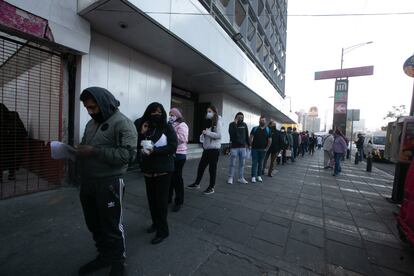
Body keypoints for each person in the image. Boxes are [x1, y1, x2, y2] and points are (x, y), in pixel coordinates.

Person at [77, 87, 138, 276]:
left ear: (105, 103)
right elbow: (86, 145)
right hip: (88, 182)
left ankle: (118, 263)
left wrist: (94, 152)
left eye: (93, 107)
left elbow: (128, 155)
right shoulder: (91, 123)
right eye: (87, 108)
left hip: (109, 182)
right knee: (94, 224)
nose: (90, 111)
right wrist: (77, 150)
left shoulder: (123, 124)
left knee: (111, 225)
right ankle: (104, 256)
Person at [138, 102, 178, 245]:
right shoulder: (145, 126)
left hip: (164, 171)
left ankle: (163, 231)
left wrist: (155, 151)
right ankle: (155, 224)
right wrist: (141, 133)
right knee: (151, 201)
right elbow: (138, 146)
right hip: (149, 170)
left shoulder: (167, 127)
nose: (156, 114)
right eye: (153, 112)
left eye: (159, 112)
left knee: (161, 203)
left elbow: (173, 146)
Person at [187, 106, 222, 194]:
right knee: (201, 167)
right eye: (207, 111)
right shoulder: (209, 122)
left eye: (210, 111)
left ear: (214, 112)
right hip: (206, 149)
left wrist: (207, 133)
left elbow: (219, 135)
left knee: (212, 169)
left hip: (214, 150)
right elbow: (207, 135)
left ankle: (211, 187)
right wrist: (203, 136)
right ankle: (197, 183)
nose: (208, 113)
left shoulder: (218, 121)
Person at [168, 108, 189, 212]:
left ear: (177, 115)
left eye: (172, 114)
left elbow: (183, 139)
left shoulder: (182, 125)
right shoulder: (171, 125)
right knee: (170, 177)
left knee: (177, 178)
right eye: (170, 114)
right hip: (171, 154)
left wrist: (171, 133)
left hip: (179, 155)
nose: (170, 116)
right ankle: (168, 198)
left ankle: (179, 201)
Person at [0, 103, 27, 182]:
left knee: (4, 159)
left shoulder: (11, 117)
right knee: (11, 159)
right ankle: (11, 175)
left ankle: (4, 176)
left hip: (8, 144)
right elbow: (23, 131)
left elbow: (22, 130)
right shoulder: (14, 115)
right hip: (13, 144)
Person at [228, 112, 250, 184]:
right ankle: (230, 177)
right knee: (232, 164)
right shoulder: (232, 124)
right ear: (236, 117)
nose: (240, 118)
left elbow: (247, 135)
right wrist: (235, 123)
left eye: (242, 117)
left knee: (242, 164)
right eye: (239, 117)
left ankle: (241, 178)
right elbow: (231, 133)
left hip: (243, 147)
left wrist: (249, 145)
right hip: (234, 147)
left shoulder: (244, 125)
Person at [250, 116, 271, 183]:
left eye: (263, 120)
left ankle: (259, 176)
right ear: (259, 121)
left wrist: (267, 148)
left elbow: (270, 140)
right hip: (254, 149)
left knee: (261, 163)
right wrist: (250, 145)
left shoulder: (268, 130)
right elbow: (250, 137)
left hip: (263, 150)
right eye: (261, 120)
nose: (262, 121)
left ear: (265, 122)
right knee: (254, 163)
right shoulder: (255, 128)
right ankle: (253, 176)